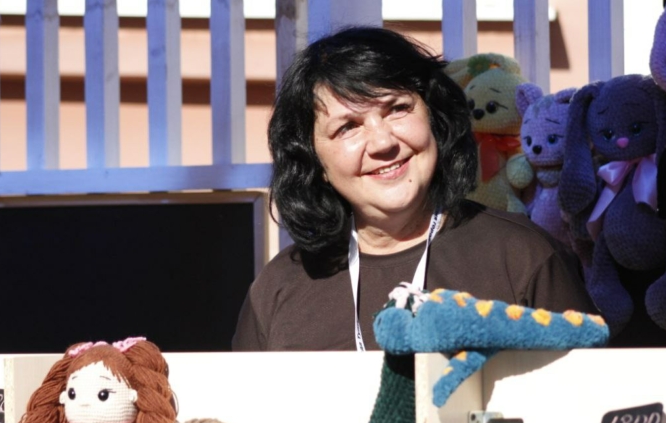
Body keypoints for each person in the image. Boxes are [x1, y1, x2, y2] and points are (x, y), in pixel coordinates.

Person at [232, 26, 596, 352]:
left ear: (434, 117)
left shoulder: (523, 258)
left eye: (396, 109)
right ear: (314, 160)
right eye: (348, 127)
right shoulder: (278, 289)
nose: (382, 142)